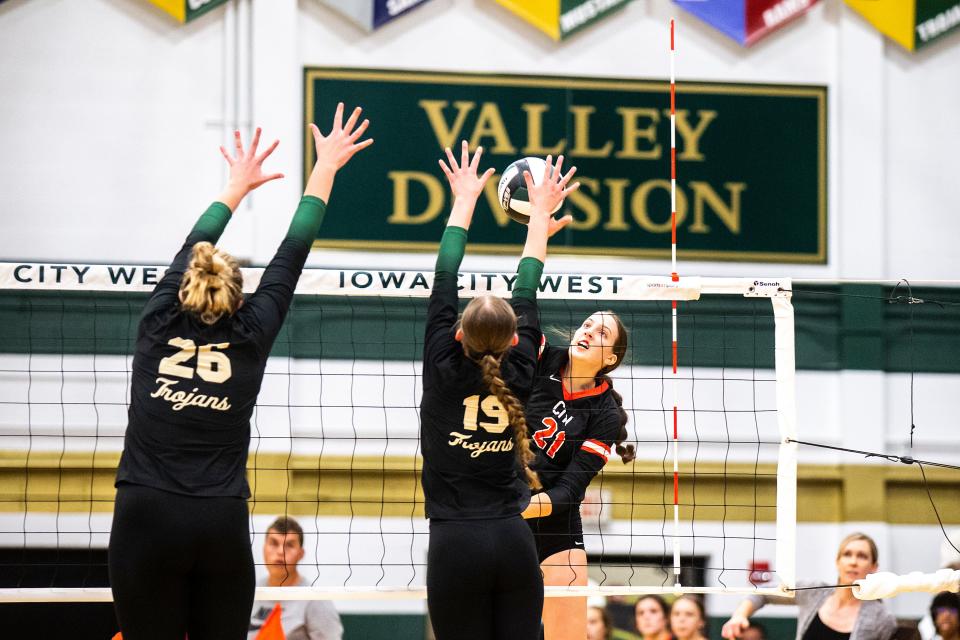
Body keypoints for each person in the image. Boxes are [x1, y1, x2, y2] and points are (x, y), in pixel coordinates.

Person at [108, 104, 372, 639]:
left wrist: (236, 184)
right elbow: (291, 255)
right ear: (239, 295)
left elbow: (195, 244)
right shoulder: (250, 334)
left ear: (185, 283)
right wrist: (325, 168)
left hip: (145, 512)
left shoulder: (158, 318)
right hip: (217, 520)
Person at [420, 142, 577, 640]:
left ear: (458, 333)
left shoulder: (442, 363)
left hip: (454, 543)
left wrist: (464, 198)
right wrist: (538, 222)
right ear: (516, 340)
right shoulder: (525, 361)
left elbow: (446, 271)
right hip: (513, 540)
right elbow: (527, 285)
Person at [520, 305, 635, 639]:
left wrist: (516, 510)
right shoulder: (542, 358)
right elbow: (521, 316)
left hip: (553, 520)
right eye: (587, 325)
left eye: (602, 333)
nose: (587, 332)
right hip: (503, 508)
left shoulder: (605, 415)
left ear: (611, 358)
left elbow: (571, 490)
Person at [721, 532, 897, 640]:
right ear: (837, 562)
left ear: (874, 567)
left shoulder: (882, 619)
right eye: (847, 554)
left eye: (862, 556)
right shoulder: (814, 592)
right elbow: (762, 592)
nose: (853, 562)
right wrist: (739, 615)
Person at [247, 516, 344, 640]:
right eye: (274, 543)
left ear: (301, 554)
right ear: (264, 548)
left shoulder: (315, 599)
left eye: (289, 545)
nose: (280, 552)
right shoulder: (252, 593)